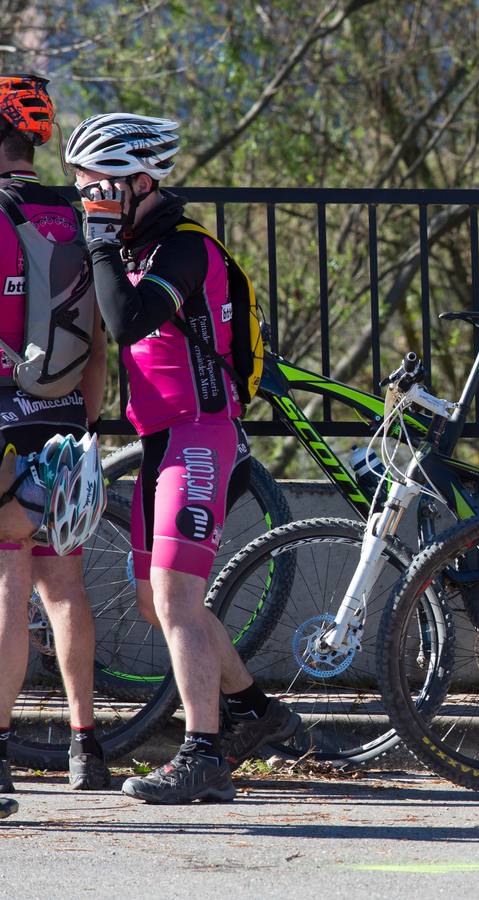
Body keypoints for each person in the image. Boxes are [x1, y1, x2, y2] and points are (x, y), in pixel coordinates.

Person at [65, 113, 299, 804]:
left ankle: (204, 757)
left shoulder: (186, 249)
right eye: (81, 191)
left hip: (201, 430)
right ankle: (257, 713)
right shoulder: (133, 244)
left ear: (142, 182)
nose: (88, 203)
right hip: (160, 437)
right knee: (152, 600)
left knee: (175, 600)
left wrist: (101, 247)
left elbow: (129, 320)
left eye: (98, 189)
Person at [0, 73, 111, 795]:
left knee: (8, 579)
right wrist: (88, 416)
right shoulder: (79, 215)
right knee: (64, 584)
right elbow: (100, 333)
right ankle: (86, 745)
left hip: (4, 418)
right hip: (67, 418)